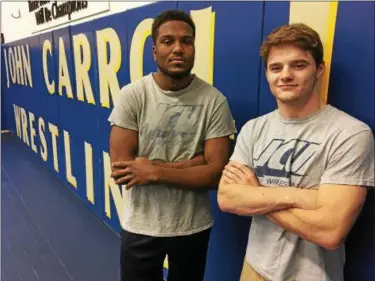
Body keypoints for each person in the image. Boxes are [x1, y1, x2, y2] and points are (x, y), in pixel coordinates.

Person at [218, 23, 374, 281]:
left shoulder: (350, 133)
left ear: (319, 69)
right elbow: (227, 198)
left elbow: (330, 232)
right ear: (267, 74)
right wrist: (307, 198)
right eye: (276, 67)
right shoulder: (254, 129)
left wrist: (255, 193)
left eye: (298, 65)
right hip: (255, 267)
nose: (285, 75)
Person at [108, 10, 237, 281]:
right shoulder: (133, 96)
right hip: (141, 226)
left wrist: (153, 170)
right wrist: (194, 163)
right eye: (168, 41)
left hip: (193, 227)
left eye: (186, 41)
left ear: (193, 48)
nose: (178, 48)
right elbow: (122, 171)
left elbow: (216, 175)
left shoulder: (214, 101)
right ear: (154, 52)